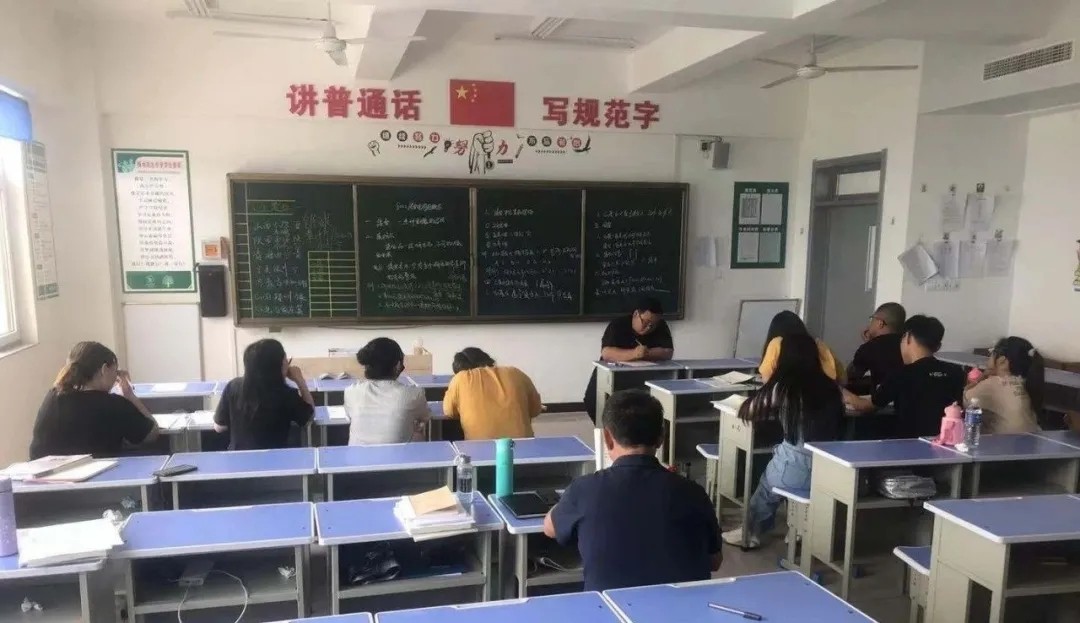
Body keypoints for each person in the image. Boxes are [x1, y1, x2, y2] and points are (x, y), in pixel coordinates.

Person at [543, 389, 720, 591]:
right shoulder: (694, 492)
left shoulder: (583, 489)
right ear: (661, 437)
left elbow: (550, 528)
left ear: (607, 438)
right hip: (685, 607)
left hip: (608, 606)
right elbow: (715, 561)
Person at [721, 334, 844, 549]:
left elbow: (750, 411)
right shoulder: (831, 387)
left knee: (767, 485)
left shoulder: (785, 387)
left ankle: (749, 533)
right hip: (829, 470)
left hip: (794, 467)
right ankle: (799, 529)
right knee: (784, 469)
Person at [29, 341, 160, 459]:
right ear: (104, 369)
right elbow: (151, 434)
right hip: (100, 477)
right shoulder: (113, 405)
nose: (116, 377)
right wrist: (130, 395)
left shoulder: (52, 397)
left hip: (46, 477)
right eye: (115, 371)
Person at [845, 315, 964, 438]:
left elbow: (866, 406)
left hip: (909, 444)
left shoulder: (901, 374)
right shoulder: (956, 372)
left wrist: (840, 391)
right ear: (938, 346)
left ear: (908, 337)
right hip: (946, 444)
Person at [583, 296, 674, 422]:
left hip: (646, 374)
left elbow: (667, 352)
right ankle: (607, 429)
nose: (648, 328)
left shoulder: (661, 326)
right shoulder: (618, 325)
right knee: (593, 400)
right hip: (613, 372)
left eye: (653, 325)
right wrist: (634, 354)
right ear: (636, 314)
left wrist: (647, 353)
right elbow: (607, 353)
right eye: (646, 322)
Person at [213, 338, 314, 450]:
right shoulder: (286, 394)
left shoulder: (233, 386)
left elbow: (219, 427)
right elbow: (309, 419)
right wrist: (300, 380)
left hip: (238, 459)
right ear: (278, 366)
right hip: (276, 459)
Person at [443, 347, 542, 440]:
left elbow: (449, 411)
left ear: (459, 369)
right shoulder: (516, 373)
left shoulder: (459, 379)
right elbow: (536, 410)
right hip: (523, 445)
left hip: (479, 448)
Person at [344, 337, 429, 444]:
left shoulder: (350, 392)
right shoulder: (414, 394)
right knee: (418, 432)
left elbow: (349, 417)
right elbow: (425, 417)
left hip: (357, 454)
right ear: (398, 365)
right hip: (399, 454)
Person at [965, 337, 1044, 434]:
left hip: (1008, 441)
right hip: (1032, 438)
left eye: (991, 355)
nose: (988, 360)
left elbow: (968, 400)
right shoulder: (1025, 381)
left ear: (1002, 361)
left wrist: (981, 378)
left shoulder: (993, 383)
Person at [758, 311, 845, 383]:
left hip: (786, 395)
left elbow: (766, 376)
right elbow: (833, 375)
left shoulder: (777, 343)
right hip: (821, 394)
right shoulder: (819, 344)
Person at [847, 302, 906, 392]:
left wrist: (867, 345)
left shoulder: (870, 348)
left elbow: (849, 377)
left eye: (872, 319)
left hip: (883, 398)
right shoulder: (909, 344)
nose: (870, 324)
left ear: (880, 323)